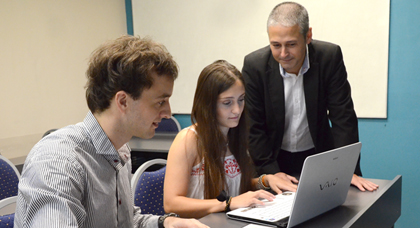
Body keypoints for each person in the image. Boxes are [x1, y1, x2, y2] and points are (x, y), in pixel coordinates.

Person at [14, 35, 208, 228]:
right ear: (123, 101)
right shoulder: (58, 161)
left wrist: (166, 223)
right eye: (160, 102)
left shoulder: (119, 150)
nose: (167, 112)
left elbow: (125, 222)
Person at [242, 2, 379, 192]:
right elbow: (253, 127)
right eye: (276, 45)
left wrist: (346, 169)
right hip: (273, 158)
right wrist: (270, 172)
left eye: (291, 44)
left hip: (318, 156)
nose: (283, 54)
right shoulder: (254, 66)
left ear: (308, 36)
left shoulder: (329, 57)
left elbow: (343, 117)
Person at [163, 60, 298, 219]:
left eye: (241, 100)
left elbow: (232, 185)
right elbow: (172, 203)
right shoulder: (188, 139)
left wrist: (265, 180)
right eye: (227, 103)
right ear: (208, 104)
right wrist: (228, 203)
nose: (237, 110)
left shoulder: (234, 134)